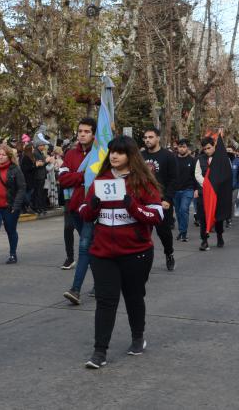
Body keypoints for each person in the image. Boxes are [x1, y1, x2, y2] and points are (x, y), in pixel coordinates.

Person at [79, 135, 163, 368]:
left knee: (134, 297)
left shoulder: (143, 181)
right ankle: (99, 352)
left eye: (120, 152)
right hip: (103, 252)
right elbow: (84, 211)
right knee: (106, 301)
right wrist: (92, 206)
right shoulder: (101, 180)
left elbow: (156, 215)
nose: (114, 156)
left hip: (136, 252)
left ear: (131, 156)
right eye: (112, 151)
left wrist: (132, 205)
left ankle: (138, 338)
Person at [60, 117, 97, 305]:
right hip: (75, 209)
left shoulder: (101, 154)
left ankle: (75, 289)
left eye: (87, 132)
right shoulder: (70, 155)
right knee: (92, 248)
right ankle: (100, 282)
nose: (82, 134)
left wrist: (78, 178)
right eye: (80, 131)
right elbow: (63, 179)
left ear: (94, 134)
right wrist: (84, 176)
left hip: (93, 209)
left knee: (84, 246)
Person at [141, 128, 177, 271]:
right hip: (144, 201)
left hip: (162, 201)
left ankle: (169, 253)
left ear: (158, 138)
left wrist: (167, 199)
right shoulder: (140, 156)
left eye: (150, 137)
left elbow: (174, 179)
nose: (147, 140)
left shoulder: (168, 156)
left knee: (164, 232)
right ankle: (143, 260)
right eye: (145, 137)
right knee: (143, 233)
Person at [194, 136, 232, 251]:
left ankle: (219, 236)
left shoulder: (223, 159)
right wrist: (206, 184)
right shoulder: (200, 159)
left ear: (214, 145)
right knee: (203, 217)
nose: (207, 151)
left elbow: (227, 174)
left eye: (209, 148)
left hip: (218, 193)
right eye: (205, 149)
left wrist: (216, 185)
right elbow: (197, 174)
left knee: (218, 217)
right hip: (203, 192)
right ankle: (204, 240)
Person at [173, 139, 196, 242]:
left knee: (183, 209)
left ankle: (184, 233)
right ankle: (181, 231)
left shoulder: (192, 160)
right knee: (178, 212)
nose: (182, 149)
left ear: (187, 148)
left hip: (188, 189)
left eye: (184, 147)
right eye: (180, 147)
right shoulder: (173, 160)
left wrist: (196, 190)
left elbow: (196, 176)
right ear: (177, 148)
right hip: (175, 190)